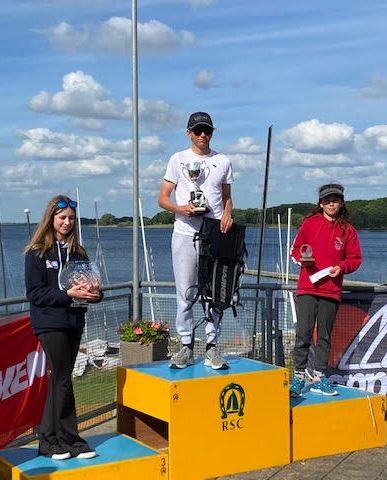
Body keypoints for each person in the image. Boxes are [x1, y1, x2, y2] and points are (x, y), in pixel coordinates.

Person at [25, 195, 102, 460]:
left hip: (74, 320)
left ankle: (48, 441)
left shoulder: (79, 253)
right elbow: (35, 294)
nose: (67, 223)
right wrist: (67, 293)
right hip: (48, 322)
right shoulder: (37, 253)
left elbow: (92, 287)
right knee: (62, 378)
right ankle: (72, 440)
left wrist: (94, 294)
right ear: (51, 219)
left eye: (70, 218)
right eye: (62, 218)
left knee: (59, 380)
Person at [158, 112, 233, 369]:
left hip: (215, 235)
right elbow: (163, 198)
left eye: (208, 131)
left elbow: (226, 196)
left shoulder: (222, 161)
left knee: (215, 291)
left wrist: (228, 215)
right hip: (185, 233)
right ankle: (186, 345)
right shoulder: (178, 159)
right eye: (199, 130)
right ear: (189, 132)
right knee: (186, 291)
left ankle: (212, 346)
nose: (203, 135)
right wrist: (181, 208)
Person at [289, 183, 362, 397]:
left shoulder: (348, 229)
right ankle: (298, 377)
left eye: (336, 200)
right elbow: (295, 251)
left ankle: (320, 377)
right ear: (320, 203)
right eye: (328, 200)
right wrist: (303, 259)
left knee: (324, 337)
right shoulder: (309, 223)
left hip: (331, 290)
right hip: (307, 288)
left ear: (341, 203)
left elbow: (355, 259)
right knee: (303, 333)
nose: (332, 203)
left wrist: (341, 268)